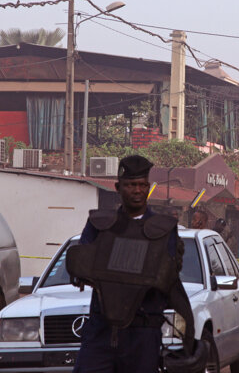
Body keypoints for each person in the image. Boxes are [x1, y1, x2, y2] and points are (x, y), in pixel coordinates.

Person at [70, 155, 198, 373]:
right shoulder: (99, 224)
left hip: (143, 331)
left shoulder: (164, 228)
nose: (137, 190)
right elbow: (81, 266)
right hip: (101, 329)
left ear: (148, 187)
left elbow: (164, 276)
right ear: (119, 187)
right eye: (130, 185)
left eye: (141, 185)